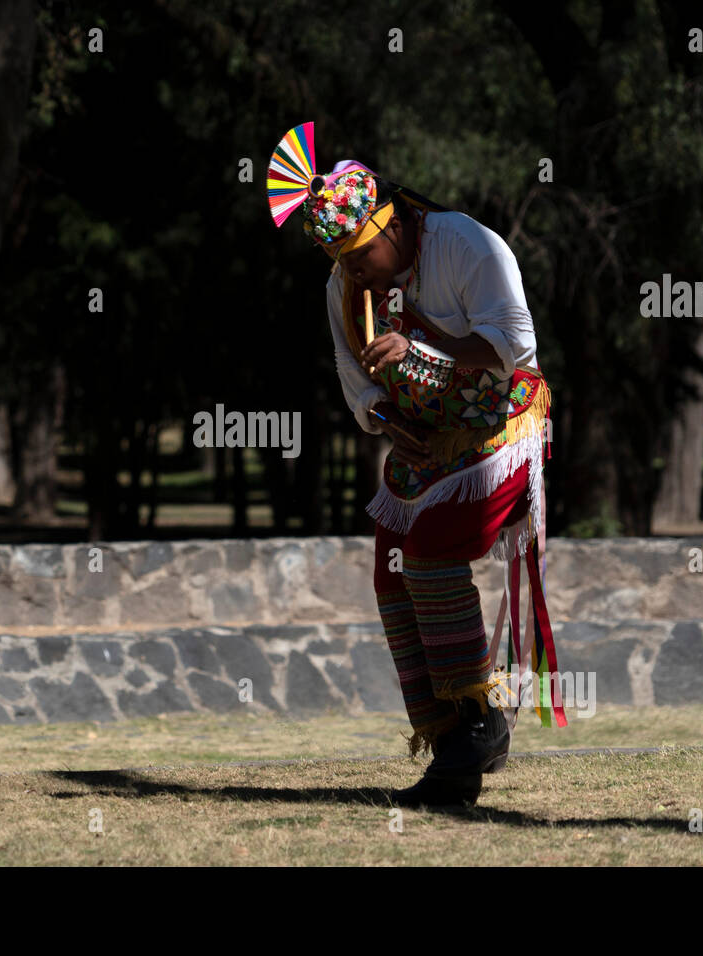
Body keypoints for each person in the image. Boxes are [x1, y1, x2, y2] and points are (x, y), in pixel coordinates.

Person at [268, 124, 566, 807]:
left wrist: (420, 354)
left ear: (393, 223)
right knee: (393, 567)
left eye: (361, 253)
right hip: (426, 439)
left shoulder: (465, 243)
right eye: (340, 260)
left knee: (430, 555)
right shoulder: (345, 285)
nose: (355, 272)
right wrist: (384, 419)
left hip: (500, 425)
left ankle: (485, 723)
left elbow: (515, 345)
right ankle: (455, 736)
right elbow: (354, 377)